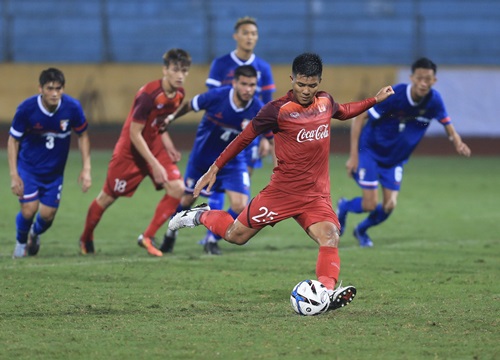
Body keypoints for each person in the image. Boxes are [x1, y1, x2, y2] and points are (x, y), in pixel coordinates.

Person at [167, 53, 395, 310]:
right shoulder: (276, 110)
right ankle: (201, 215)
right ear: (292, 79)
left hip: (315, 195)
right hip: (282, 193)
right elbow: (244, 138)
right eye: (301, 84)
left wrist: (375, 100)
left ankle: (326, 293)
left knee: (330, 237)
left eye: (312, 85)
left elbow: (344, 112)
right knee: (235, 236)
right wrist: (214, 168)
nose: (306, 91)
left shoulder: (325, 101)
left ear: (319, 81)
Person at [337, 57, 472, 247]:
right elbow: (360, 117)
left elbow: (447, 125)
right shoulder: (395, 94)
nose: (423, 83)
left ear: (434, 81)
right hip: (371, 152)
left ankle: (361, 230)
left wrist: (457, 142)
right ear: (412, 77)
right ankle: (344, 206)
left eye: (428, 79)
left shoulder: (434, 101)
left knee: (389, 205)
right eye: (419, 78)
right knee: (369, 204)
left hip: (395, 160)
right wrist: (354, 156)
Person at [79, 49, 191, 257]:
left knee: (177, 188)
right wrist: (155, 164)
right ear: (165, 69)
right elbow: (134, 133)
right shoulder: (148, 95)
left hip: (154, 146)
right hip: (130, 151)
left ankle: (147, 237)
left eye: (184, 71)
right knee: (107, 197)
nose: (180, 75)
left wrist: (168, 145)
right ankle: (86, 236)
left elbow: (160, 124)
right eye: (175, 70)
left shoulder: (178, 95)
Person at [159, 65, 270, 255]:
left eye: (252, 85)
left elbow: (270, 131)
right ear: (234, 83)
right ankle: (171, 232)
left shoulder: (258, 108)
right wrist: (171, 117)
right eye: (243, 84)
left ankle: (212, 238)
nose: (248, 89)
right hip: (202, 159)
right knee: (186, 200)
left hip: (233, 162)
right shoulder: (217, 97)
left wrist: (267, 141)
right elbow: (190, 105)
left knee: (240, 205)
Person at [200, 16, 276, 251]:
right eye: (245, 33)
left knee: (241, 188)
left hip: (249, 136)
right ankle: (211, 233)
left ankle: (211, 233)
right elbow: (214, 99)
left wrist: (265, 137)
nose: (250, 37)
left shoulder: (263, 68)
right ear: (236, 36)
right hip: (220, 134)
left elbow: (268, 106)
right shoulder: (221, 64)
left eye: (253, 33)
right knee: (214, 184)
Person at [8, 68, 91, 258]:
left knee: (47, 216)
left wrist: (86, 168)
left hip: (54, 174)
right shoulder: (26, 109)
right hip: (28, 169)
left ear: (63, 88)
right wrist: (14, 174)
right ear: (40, 88)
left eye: (58, 88)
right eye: (50, 88)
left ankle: (34, 235)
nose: (54, 93)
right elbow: (13, 140)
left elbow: (83, 135)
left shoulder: (72, 108)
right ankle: (21, 244)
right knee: (29, 210)